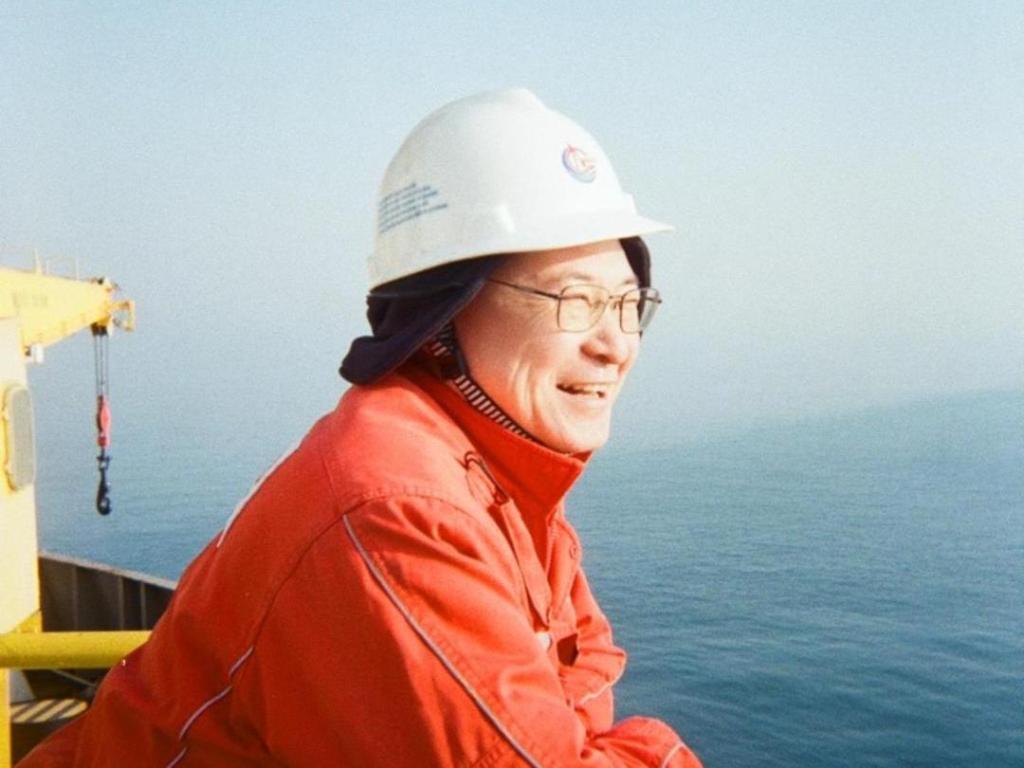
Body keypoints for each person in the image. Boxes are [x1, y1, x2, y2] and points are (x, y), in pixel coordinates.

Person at [21, 88, 703, 767]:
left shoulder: (491, 472)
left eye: (629, 303)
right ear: (446, 308)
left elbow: (588, 665)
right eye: (577, 301)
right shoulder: (402, 509)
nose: (617, 345)